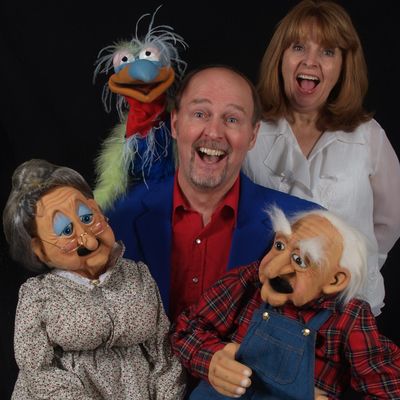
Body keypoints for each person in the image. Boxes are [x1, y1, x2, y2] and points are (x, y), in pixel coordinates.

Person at [106, 65, 320, 322]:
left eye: (232, 119)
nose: (214, 132)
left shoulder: (306, 225)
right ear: (175, 124)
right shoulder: (116, 220)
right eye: (200, 114)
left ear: (253, 135)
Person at [242, 0, 400, 316]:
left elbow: (390, 221)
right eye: (298, 47)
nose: (310, 61)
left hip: (347, 308)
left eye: (327, 52)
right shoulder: (249, 130)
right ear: (280, 57)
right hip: (267, 305)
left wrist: (358, 263)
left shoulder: (369, 135)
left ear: (343, 66)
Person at [171, 206, 400, 399]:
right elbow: (185, 330)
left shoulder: (349, 316)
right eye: (279, 245)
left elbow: (389, 389)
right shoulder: (248, 282)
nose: (272, 269)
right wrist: (212, 359)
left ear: (335, 280)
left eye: (300, 261)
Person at [2, 159, 186, 400]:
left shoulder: (138, 275)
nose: (88, 240)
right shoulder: (37, 296)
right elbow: (38, 371)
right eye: (66, 231)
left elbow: (163, 352)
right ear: (39, 250)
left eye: (88, 217)